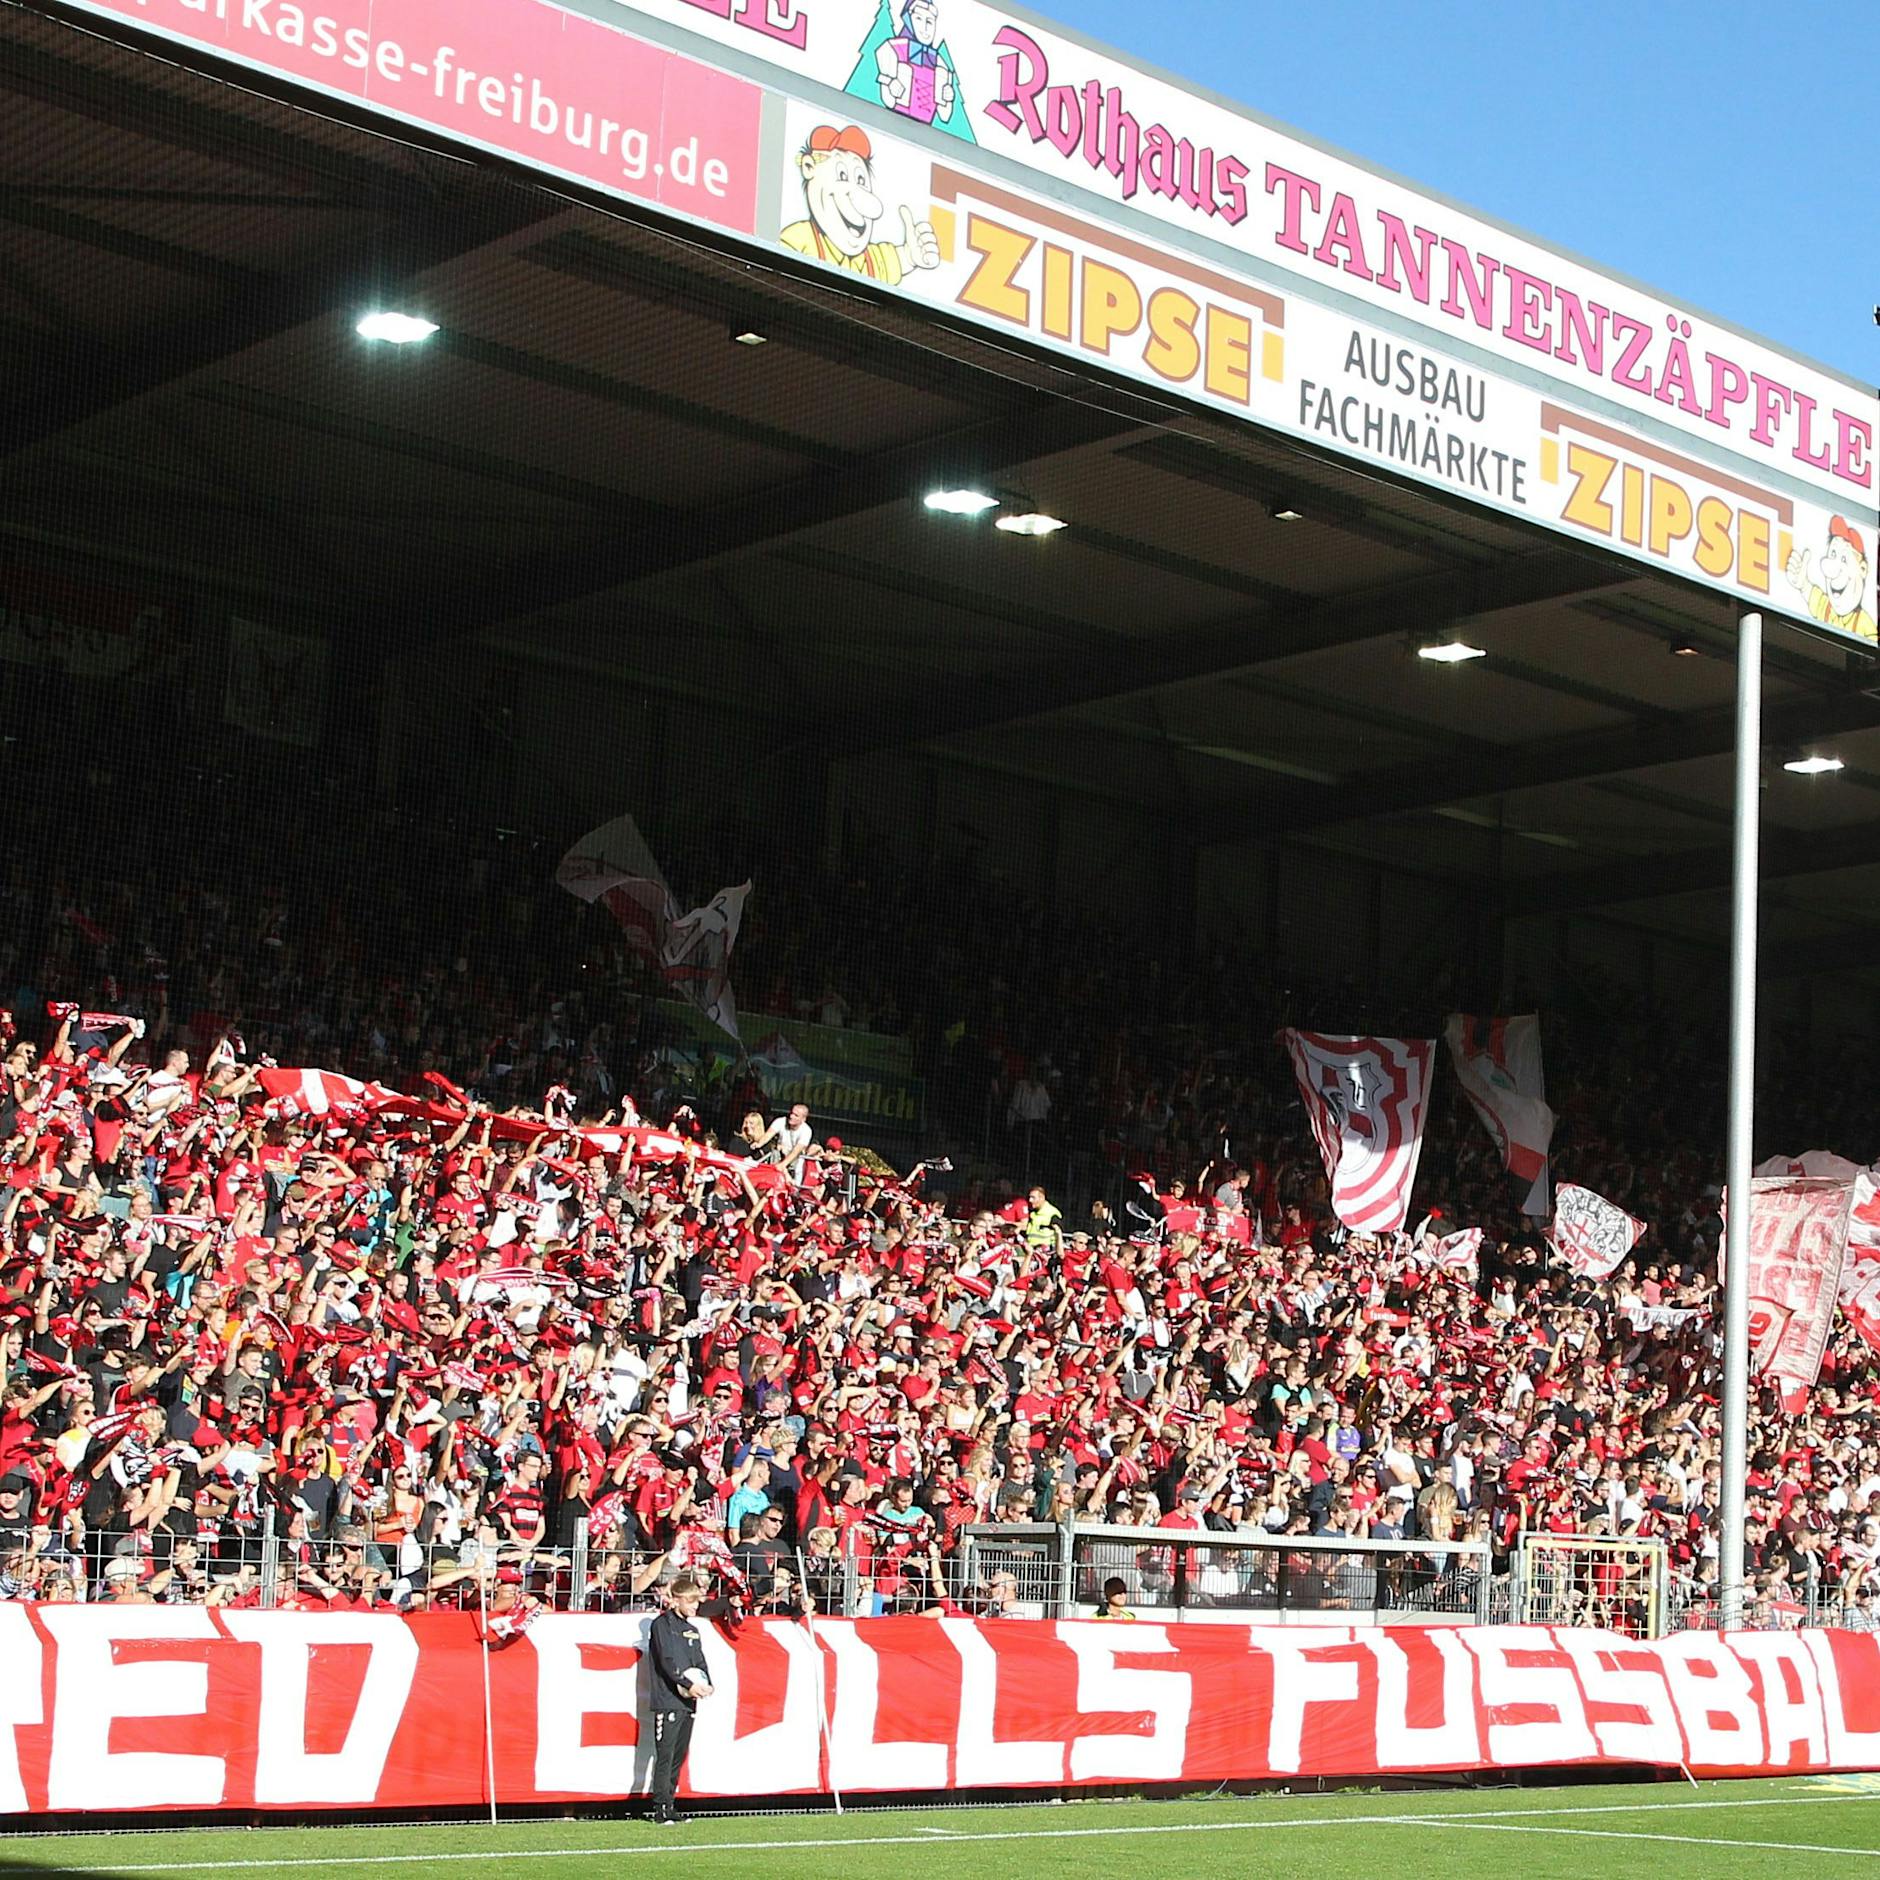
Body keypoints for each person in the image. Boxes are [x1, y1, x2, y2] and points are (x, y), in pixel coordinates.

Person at [646, 1572, 714, 1826]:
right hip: (668, 1700)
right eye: (690, 1601)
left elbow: (699, 1661)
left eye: (696, 1601)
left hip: (689, 1701)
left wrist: (707, 1683)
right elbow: (667, 1662)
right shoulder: (662, 1625)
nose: (695, 1606)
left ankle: (671, 1804)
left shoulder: (692, 1630)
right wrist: (687, 1684)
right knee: (664, 1754)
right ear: (675, 1600)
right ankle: (660, 1807)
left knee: (678, 1754)